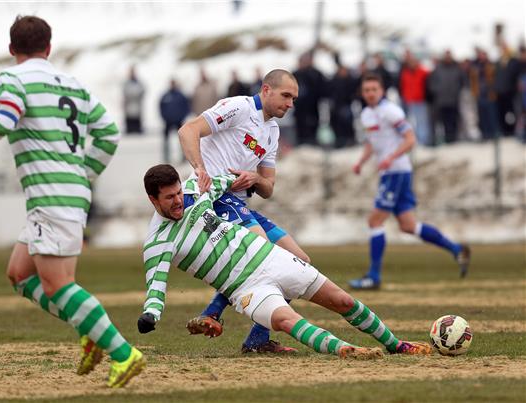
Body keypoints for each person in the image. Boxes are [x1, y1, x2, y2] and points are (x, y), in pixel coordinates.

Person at [0, 15, 144, 388]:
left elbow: (5, 119)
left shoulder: (13, 78)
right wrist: (83, 173)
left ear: (11, 50)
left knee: (58, 285)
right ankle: (89, 327)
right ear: (49, 47)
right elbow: (107, 132)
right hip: (63, 192)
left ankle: (123, 352)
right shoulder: (73, 84)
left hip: (51, 194)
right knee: (19, 274)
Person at [136, 164, 433, 360]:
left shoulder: (192, 191)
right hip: (244, 288)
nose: (178, 201)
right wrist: (150, 316)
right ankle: (346, 350)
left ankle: (396, 345)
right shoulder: (158, 242)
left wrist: (246, 178)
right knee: (285, 321)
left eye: (178, 193)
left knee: (342, 300)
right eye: (169, 198)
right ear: (152, 200)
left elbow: (222, 183)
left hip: (270, 257)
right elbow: (156, 286)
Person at [178, 69, 310, 353]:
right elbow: (188, 130)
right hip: (214, 197)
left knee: (299, 261)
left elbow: (268, 187)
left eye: (294, 99)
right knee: (259, 246)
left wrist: (255, 179)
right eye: (286, 95)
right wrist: (200, 170)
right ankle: (211, 313)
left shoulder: (272, 131)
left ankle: (257, 340)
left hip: (239, 202)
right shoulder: (239, 107)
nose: (290, 104)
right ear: (265, 90)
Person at [348, 73, 471, 290]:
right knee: (408, 225)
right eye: (366, 90)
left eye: (374, 89)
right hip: (392, 173)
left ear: (382, 91)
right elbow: (372, 143)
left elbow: (410, 139)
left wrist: (390, 158)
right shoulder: (367, 114)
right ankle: (456, 249)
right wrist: (361, 162)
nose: (370, 94)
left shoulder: (391, 111)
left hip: (397, 172)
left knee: (374, 221)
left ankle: (373, 276)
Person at [399, 50, 432, 146]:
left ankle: (424, 141)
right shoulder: (405, 73)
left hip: (420, 100)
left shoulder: (423, 72)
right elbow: (403, 86)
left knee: (422, 122)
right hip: (409, 100)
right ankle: (415, 140)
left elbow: (427, 86)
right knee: (412, 122)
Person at [159, 79, 191, 163]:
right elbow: (161, 107)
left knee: (182, 139)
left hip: (178, 120)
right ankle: (166, 157)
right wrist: (164, 117)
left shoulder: (181, 96)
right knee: (166, 139)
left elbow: (187, 107)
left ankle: (184, 156)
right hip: (168, 121)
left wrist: (182, 116)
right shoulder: (165, 96)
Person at [122, 65, 146, 134]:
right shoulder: (126, 83)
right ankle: (129, 130)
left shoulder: (139, 82)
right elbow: (125, 92)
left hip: (137, 104)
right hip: (129, 104)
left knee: (137, 118)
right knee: (129, 119)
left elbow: (142, 91)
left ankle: (138, 129)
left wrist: (135, 94)